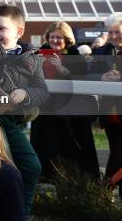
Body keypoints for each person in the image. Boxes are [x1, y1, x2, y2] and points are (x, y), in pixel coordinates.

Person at [0, 5, 48, 216]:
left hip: (12, 122)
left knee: (31, 167)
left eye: (1, 28)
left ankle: (23, 211)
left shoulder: (31, 57)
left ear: (19, 32)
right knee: (2, 170)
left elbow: (42, 90)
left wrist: (24, 93)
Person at [30, 21, 100, 179]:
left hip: (69, 114)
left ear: (67, 39)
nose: (55, 40)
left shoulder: (76, 56)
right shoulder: (39, 54)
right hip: (44, 111)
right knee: (45, 145)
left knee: (68, 148)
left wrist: (63, 70)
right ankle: (45, 177)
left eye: (59, 37)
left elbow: (82, 83)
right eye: (52, 37)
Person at [92, 12, 122, 199]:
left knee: (118, 156)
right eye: (110, 33)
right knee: (116, 153)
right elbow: (89, 73)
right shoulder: (103, 51)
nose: (113, 37)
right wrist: (101, 77)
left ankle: (105, 191)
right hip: (111, 115)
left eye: (117, 32)